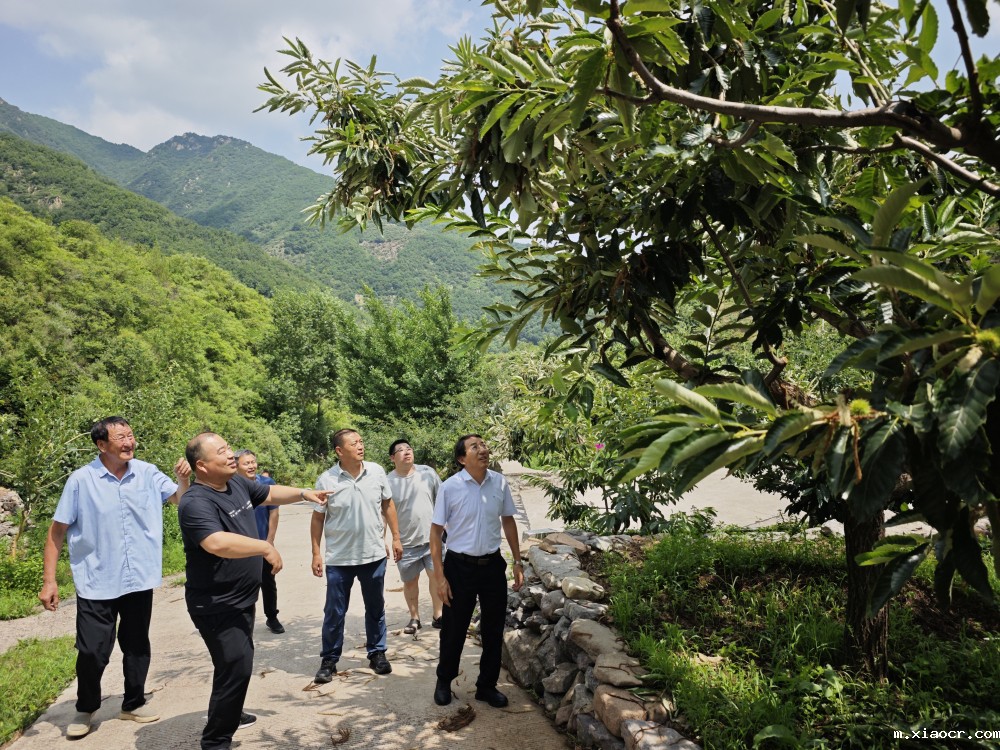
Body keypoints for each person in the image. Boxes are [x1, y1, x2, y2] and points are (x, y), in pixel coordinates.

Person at [38, 416, 190, 739]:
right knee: (92, 650)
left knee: (137, 644)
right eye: (120, 437)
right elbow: (57, 531)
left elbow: (179, 499)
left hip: (138, 578)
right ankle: (86, 707)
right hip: (97, 580)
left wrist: (183, 480)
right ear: (101, 444)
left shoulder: (147, 472)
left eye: (131, 435)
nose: (129, 442)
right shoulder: (81, 481)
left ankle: (133, 703)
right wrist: (49, 580)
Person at [178, 432, 328, 750]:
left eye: (229, 448)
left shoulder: (236, 483)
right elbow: (215, 542)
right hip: (216, 603)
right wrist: (264, 546)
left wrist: (304, 493)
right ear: (202, 466)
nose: (230, 454)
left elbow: (269, 493)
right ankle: (216, 741)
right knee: (237, 664)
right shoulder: (195, 502)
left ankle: (229, 712)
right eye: (222, 451)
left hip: (243, 597)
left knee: (232, 664)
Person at [430, 434, 524, 708]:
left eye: (483, 445)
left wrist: (517, 561)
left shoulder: (499, 482)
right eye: (475, 447)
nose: (483, 449)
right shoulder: (450, 487)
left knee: (493, 629)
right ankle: (444, 680)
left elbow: (508, 520)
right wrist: (440, 577)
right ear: (462, 458)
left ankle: (487, 686)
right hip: (459, 567)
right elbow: (435, 533)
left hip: (492, 565)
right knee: (454, 629)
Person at [311, 428, 403, 683]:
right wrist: (316, 552)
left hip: (373, 555)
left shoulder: (376, 471)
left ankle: (377, 653)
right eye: (354, 443)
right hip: (339, 559)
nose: (360, 446)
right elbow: (318, 518)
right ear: (339, 451)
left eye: (361, 441)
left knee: (375, 608)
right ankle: (329, 660)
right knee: (334, 612)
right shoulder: (327, 480)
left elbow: (388, 505)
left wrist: (396, 537)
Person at [386, 439, 443, 634]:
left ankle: (438, 615)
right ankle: (414, 618)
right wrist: (387, 539)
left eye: (409, 448)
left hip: (433, 538)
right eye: (400, 450)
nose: (406, 452)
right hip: (406, 542)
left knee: (436, 576)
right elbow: (384, 513)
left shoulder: (427, 473)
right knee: (410, 581)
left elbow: (442, 498)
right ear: (392, 458)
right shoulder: (388, 482)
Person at [235, 449, 283, 634]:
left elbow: (274, 512)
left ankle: (272, 617)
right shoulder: (231, 485)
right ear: (236, 465)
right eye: (246, 463)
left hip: (263, 544)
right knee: (242, 584)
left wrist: (270, 540)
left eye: (253, 462)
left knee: (268, 582)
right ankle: (241, 621)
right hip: (240, 546)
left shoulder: (266, 483)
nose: (251, 466)